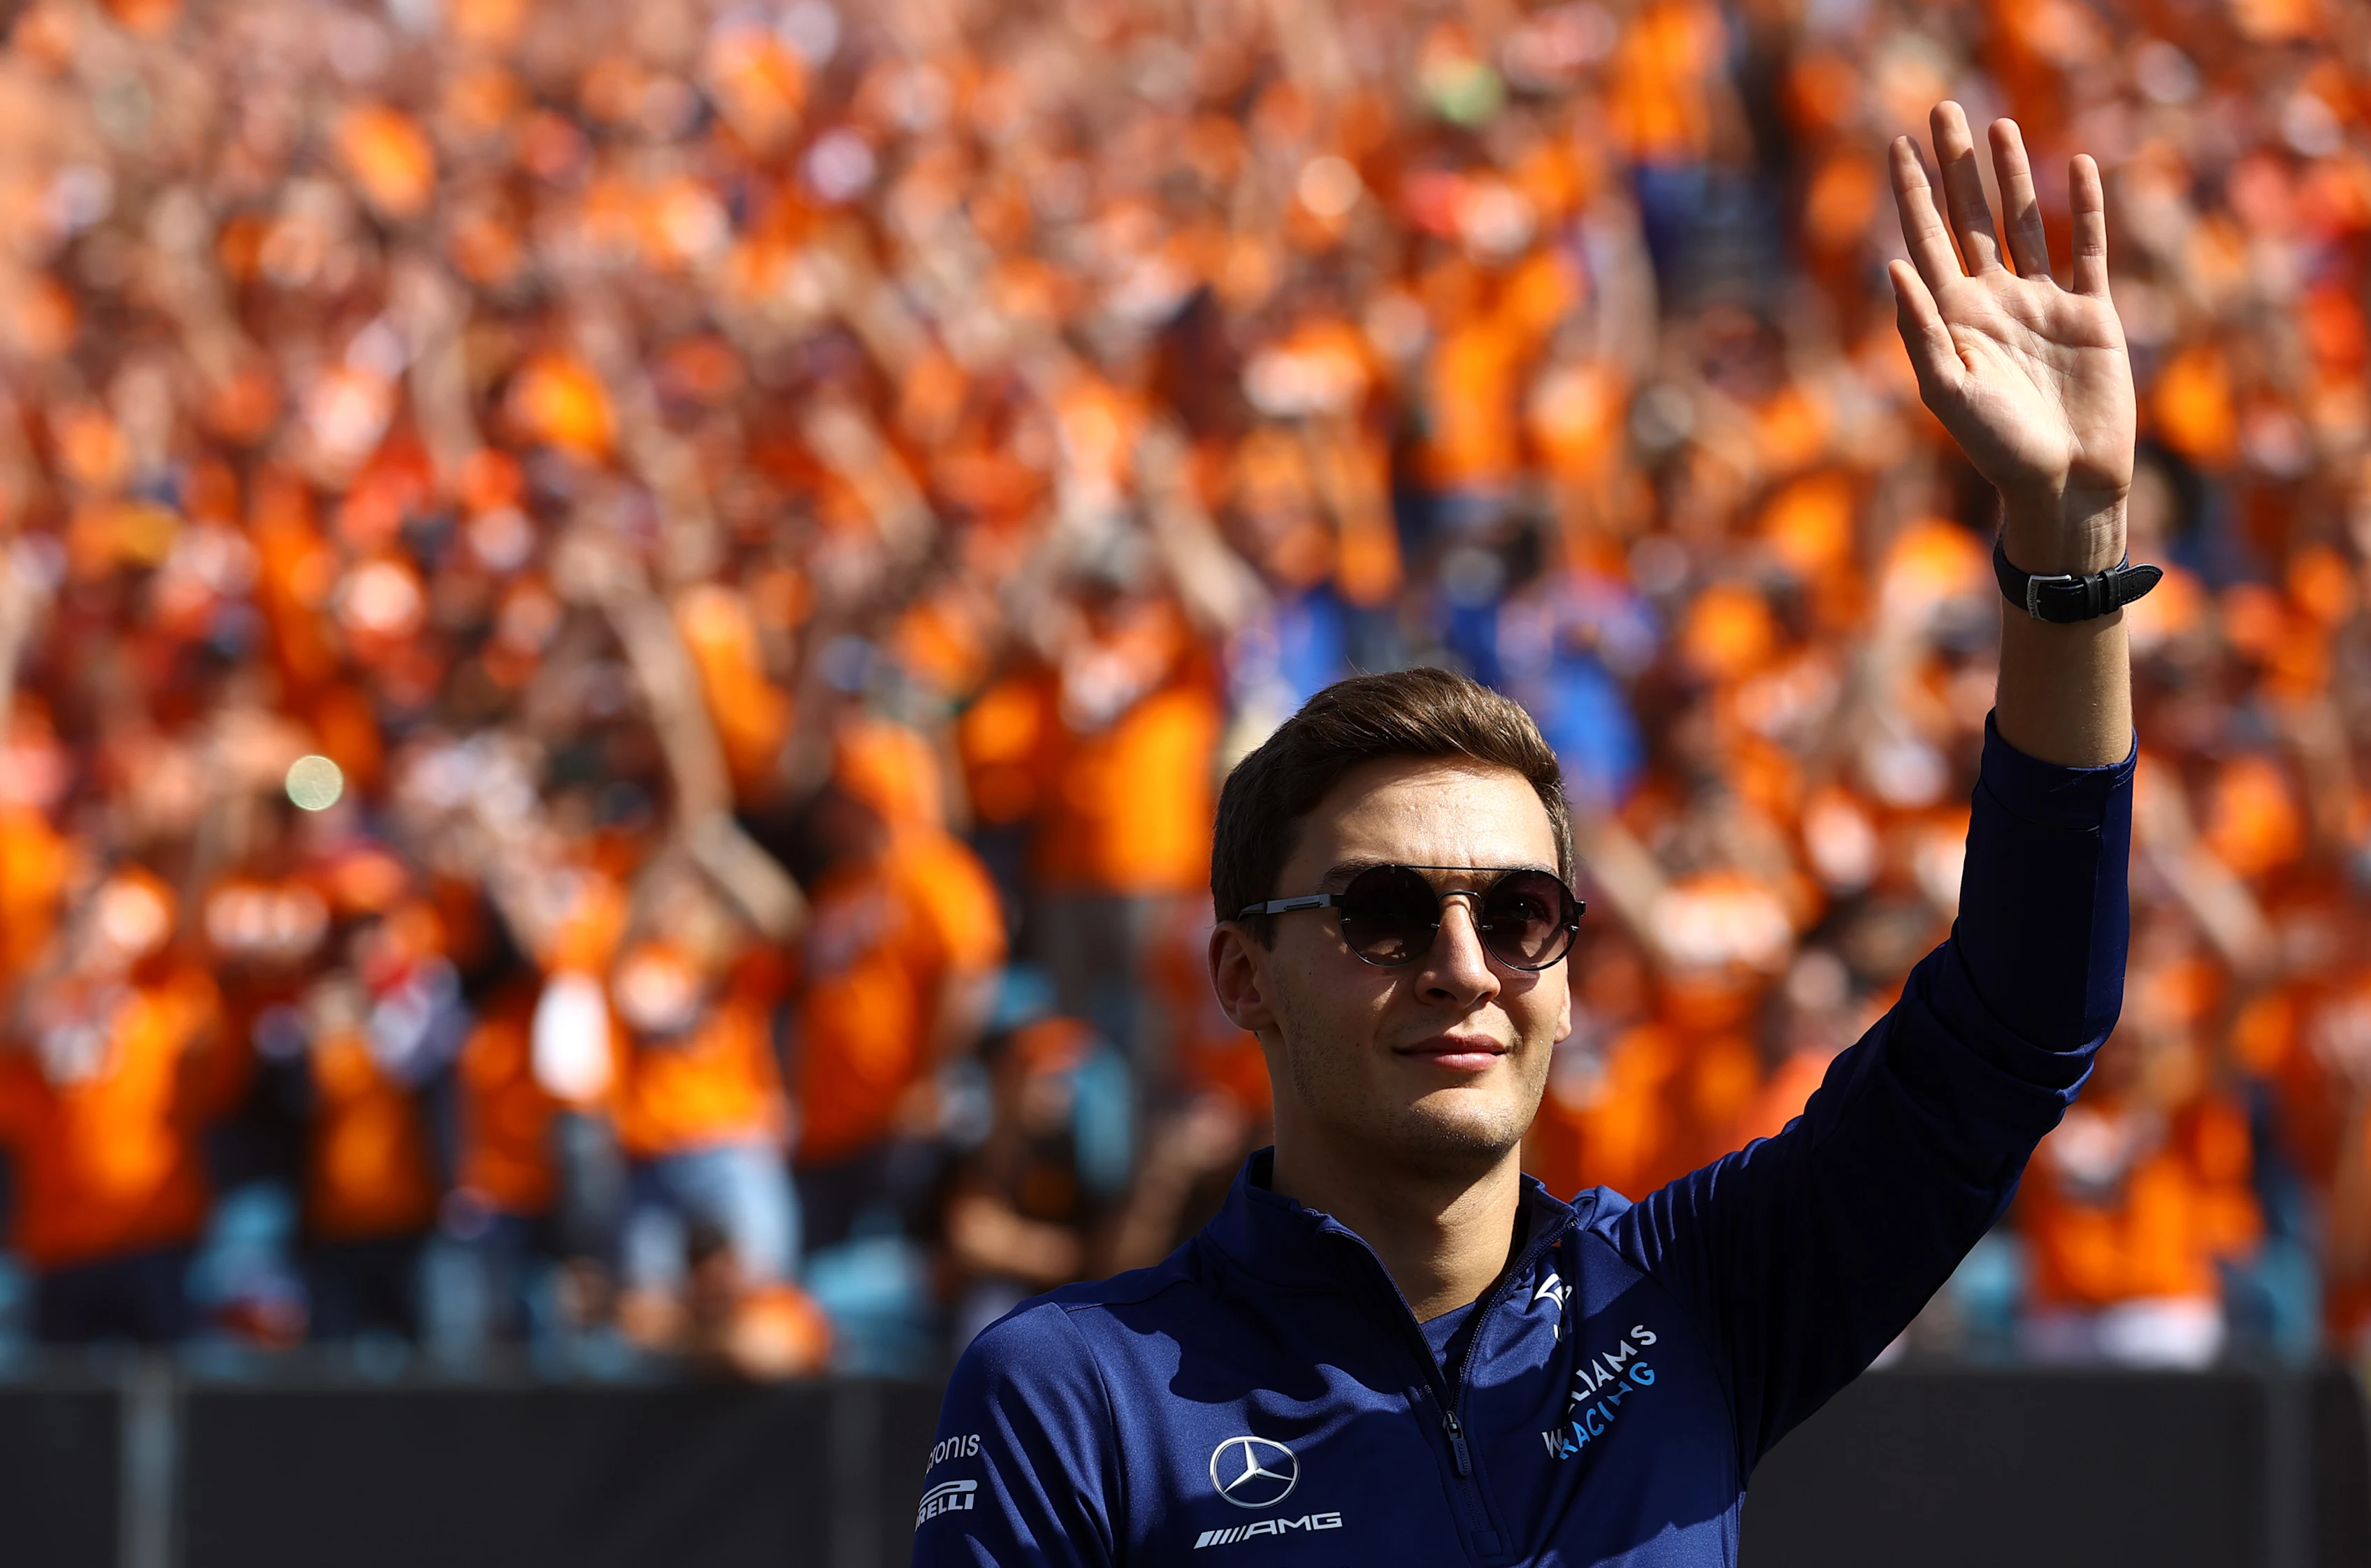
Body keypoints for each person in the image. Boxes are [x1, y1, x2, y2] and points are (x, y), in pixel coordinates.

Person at [913, 103, 2145, 1565]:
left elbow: (2020, 1019)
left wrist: (2065, 548)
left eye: (1517, 913)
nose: (1461, 962)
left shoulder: (1692, 1299)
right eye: (1380, 909)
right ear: (1243, 975)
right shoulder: (1074, 1391)